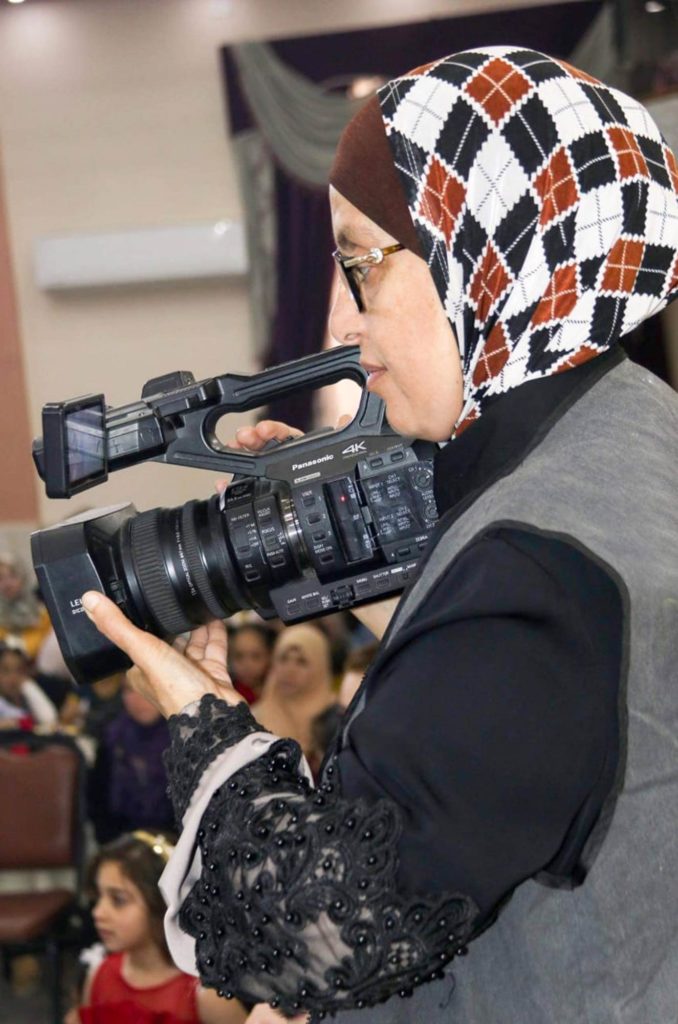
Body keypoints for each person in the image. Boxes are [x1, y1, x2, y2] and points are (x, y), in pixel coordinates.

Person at [79, 47, 678, 1023]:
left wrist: (204, 723)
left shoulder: (534, 569)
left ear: (481, 256)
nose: (344, 327)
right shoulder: (633, 421)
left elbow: (327, 934)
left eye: (361, 264)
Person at [67, 831, 248, 1024]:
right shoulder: (98, 976)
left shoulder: (204, 995)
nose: (98, 912)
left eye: (118, 900)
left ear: (162, 906)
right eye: (98, 897)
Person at [87, 678, 174, 843]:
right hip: (121, 844)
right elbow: (97, 803)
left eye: (146, 689)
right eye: (129, 690)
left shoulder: (184, 739)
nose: (138, 699)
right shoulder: (112, 738)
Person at [250, 624, 336, 771]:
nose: (289, 671)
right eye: (283, 659)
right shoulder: (253, 719)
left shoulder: (337, 719)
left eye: (301, 662)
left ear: (320, 666)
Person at [0, 552, 51, 660]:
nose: (7, 584)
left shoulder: (44, 610)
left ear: (23, 577)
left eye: (12, 576)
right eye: (0, 579)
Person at [0, 640, 58, 728]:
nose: (13, 677)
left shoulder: (26, 698)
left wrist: (28, 685)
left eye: (19, 670)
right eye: (6, 670)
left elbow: (49, 720)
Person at [228, 622, 276, 703]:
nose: (247, 665)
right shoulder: (227, 697)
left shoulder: (281, 692)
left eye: (255, 656)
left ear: (269, 655)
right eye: (239, 656)